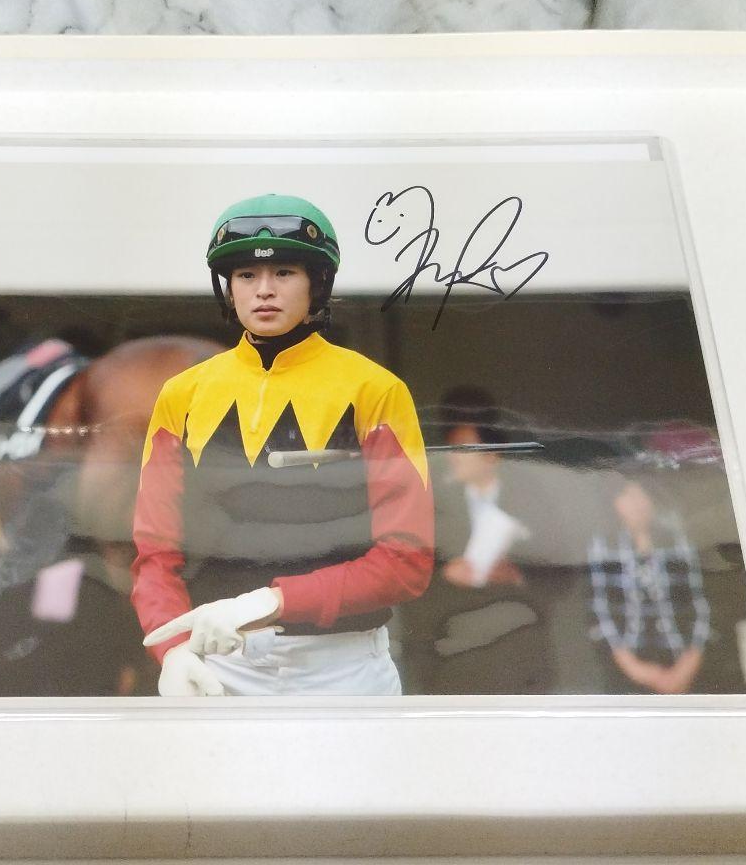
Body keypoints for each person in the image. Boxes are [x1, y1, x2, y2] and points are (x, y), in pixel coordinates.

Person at [130, 193, 434, 696]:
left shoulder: (375, 390)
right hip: (219, 665)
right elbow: (155, 553)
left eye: (285, 273)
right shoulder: (181, 394)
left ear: (318, 283)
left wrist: (271, 602)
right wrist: (173, 649)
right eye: (246, 275)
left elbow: (406, 562)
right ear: (229, 288)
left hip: (343, 671)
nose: (264, 290)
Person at [399, 386, 555, 694]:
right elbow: (406, 582)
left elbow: (564, 575)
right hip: (454, 660)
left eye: (464, 449)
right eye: (452, 448)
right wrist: (446, 576)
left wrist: (518, 576)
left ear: (491, 454)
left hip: (520, 659)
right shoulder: (432, 502)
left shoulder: (530, 500)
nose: (454, 458)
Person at [588, 478, 711, 694]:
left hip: (685, 665)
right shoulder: (604, 547)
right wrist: (638, 671)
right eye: (626, 496)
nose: (637, 503)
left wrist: (686, 669)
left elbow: (700, 606)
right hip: (627, 668)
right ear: (613, 503)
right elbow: (601, 614)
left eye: (642, 494)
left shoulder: (678, 541)